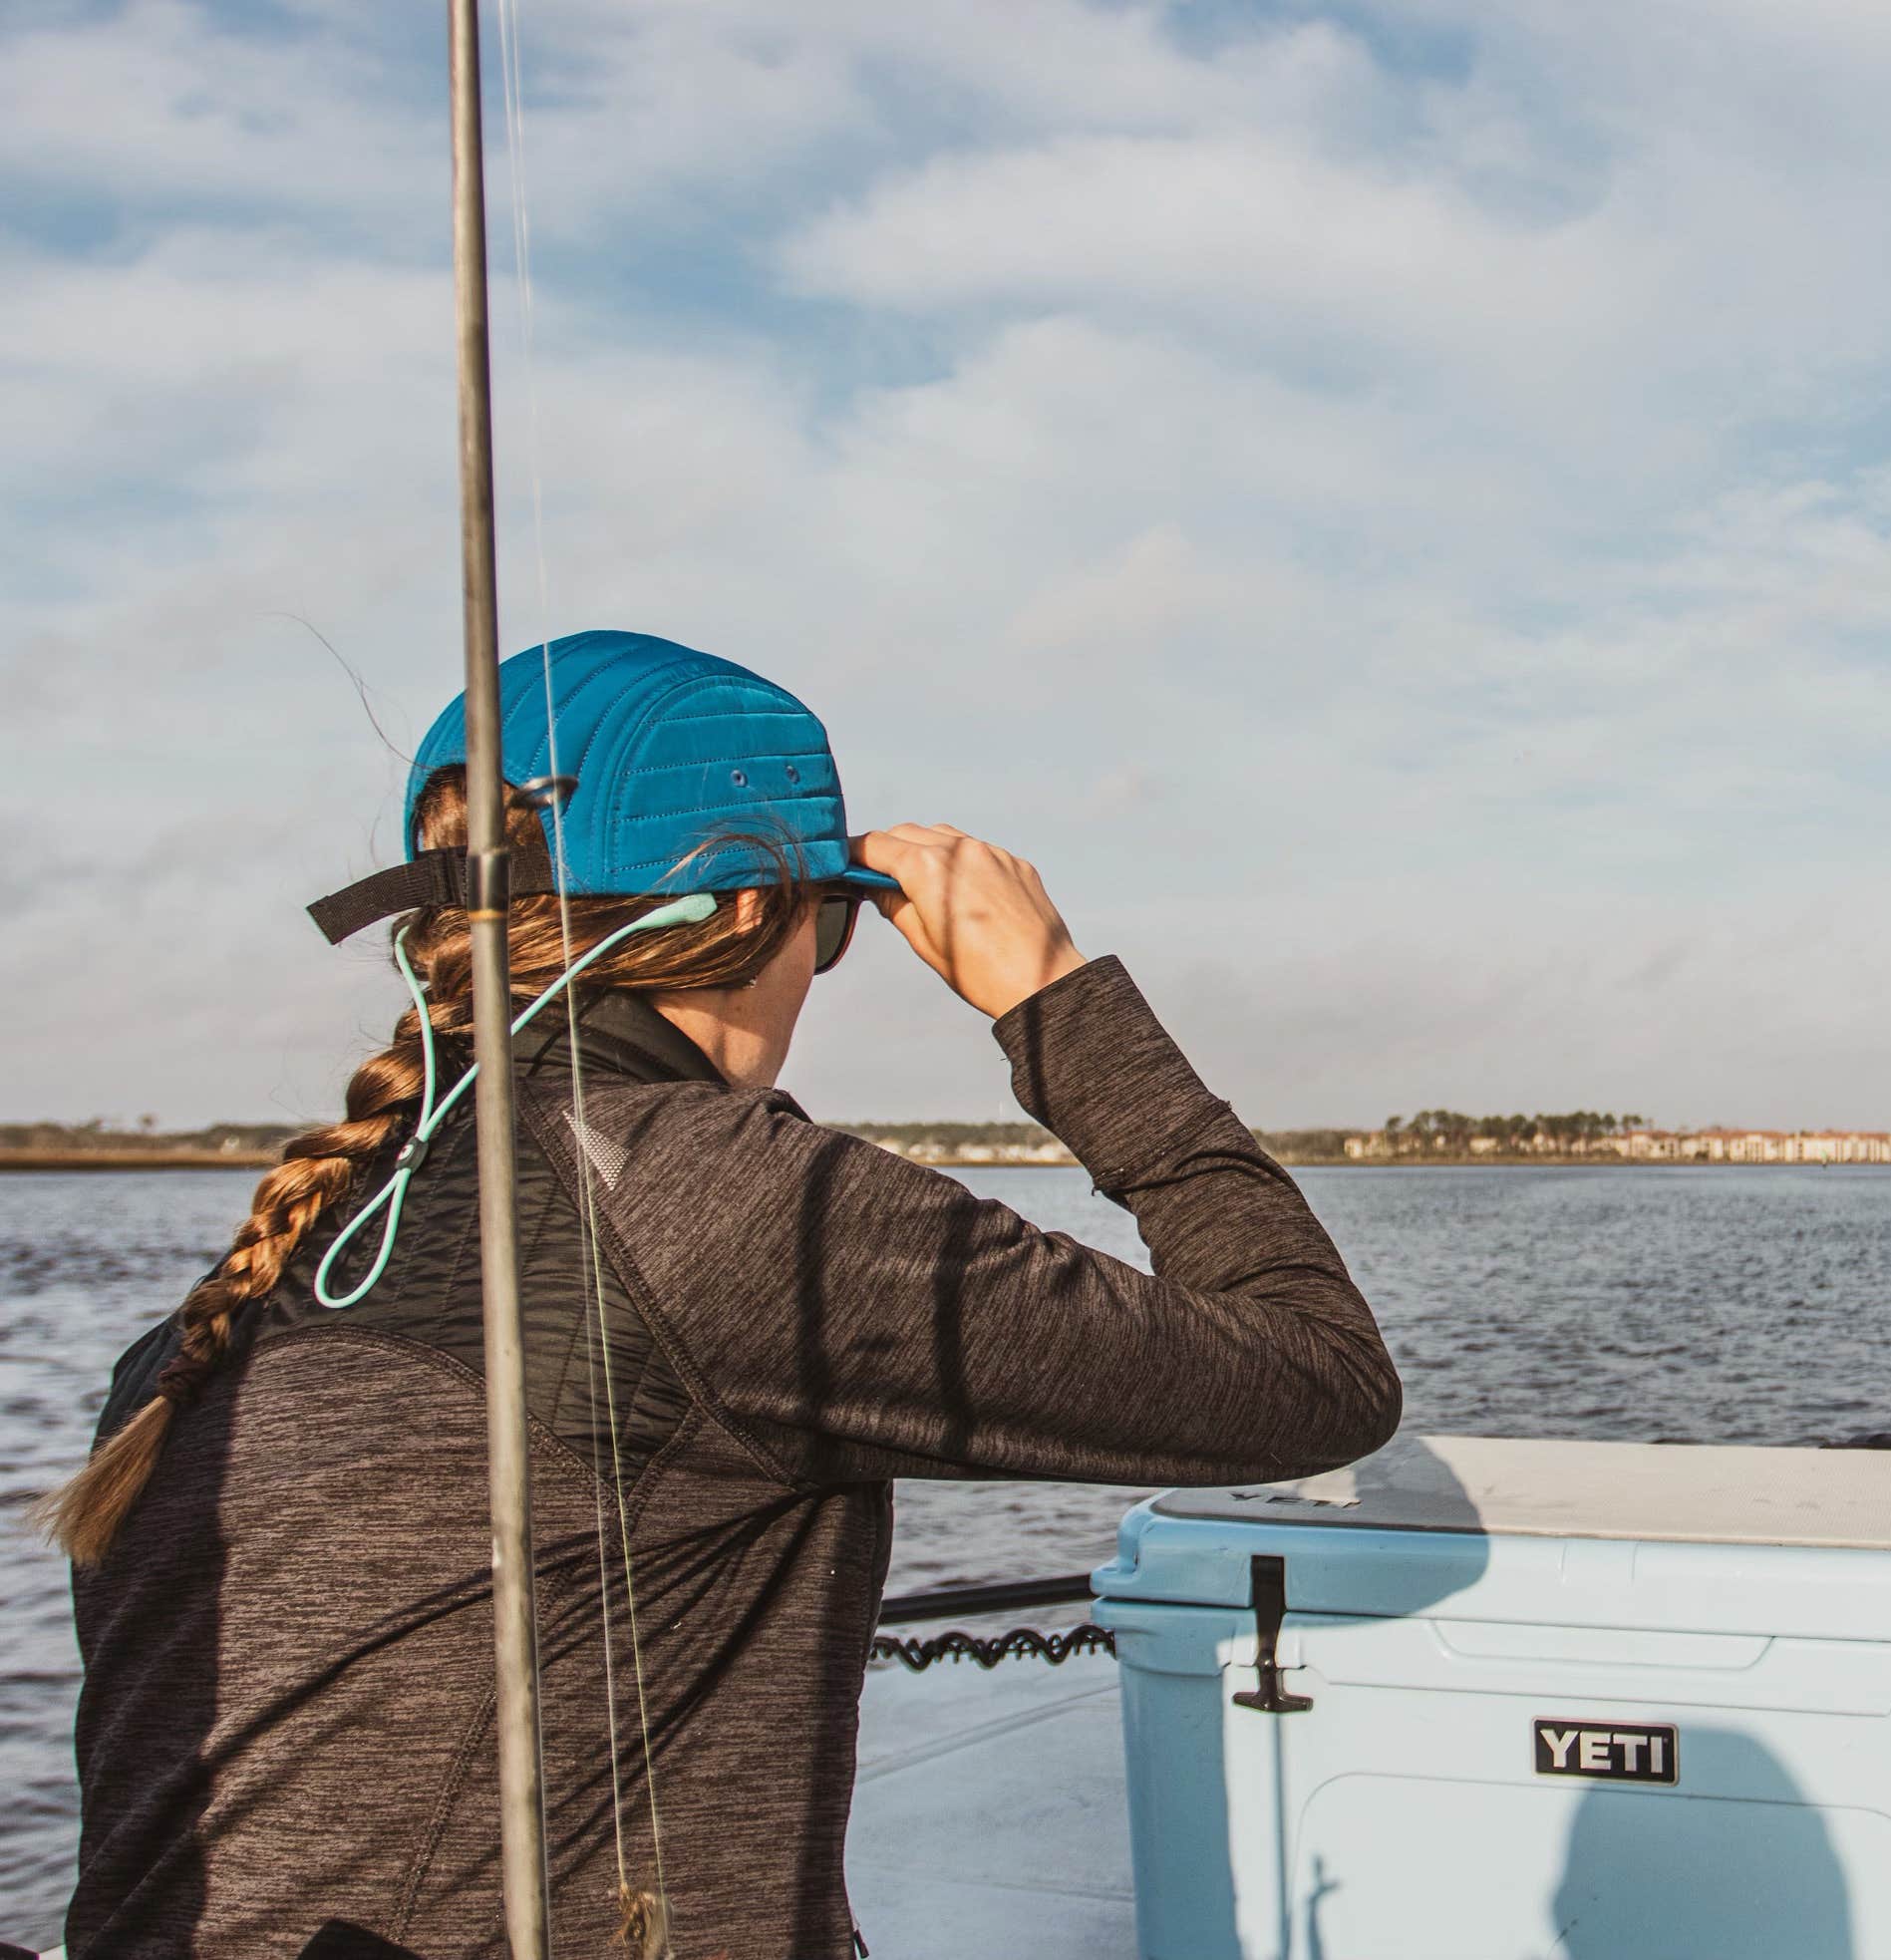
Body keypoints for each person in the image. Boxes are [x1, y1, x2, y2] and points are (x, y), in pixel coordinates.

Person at [39, 630, 1402, 1958]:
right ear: (755, 907)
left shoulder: (306, 1236)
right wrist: (1050, 995)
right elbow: (1314, 1370)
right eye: (832, 926)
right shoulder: (719, 1208)